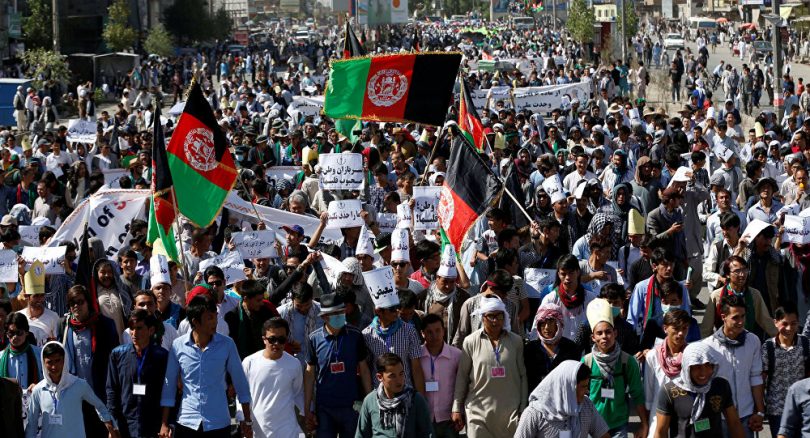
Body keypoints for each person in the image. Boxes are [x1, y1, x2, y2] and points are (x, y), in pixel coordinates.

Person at [159, 293, 253, 438]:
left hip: (219, 422)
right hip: (186, 421)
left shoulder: (227, 344)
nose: (215, 321)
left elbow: (240, 383)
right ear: (195, 321)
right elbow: (169, 385)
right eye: (209, 317)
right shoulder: (178, 346)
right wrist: (164, 423)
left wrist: (247, 420)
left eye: (215, 316)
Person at [452, 295, 527, 438]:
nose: (495, 321)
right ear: (482, 317)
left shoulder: (516, 341)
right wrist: (456, 407)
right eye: (490, 316)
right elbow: (462, 375)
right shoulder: (470, 341)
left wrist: (523, 407)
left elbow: (522, 375)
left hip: (509, 414)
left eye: (499, 316)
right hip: (477, 413)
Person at [304, 292, 373, 437]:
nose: (340, 316)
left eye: (341, 312)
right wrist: (307, 408)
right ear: (324, 317)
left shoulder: (355, 335)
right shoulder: (314, 339)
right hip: (324, 407)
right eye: (335, 314)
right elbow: (310, 374)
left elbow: (364, 370)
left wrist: (370, 402)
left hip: (351, 406)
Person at [58, 284, 119, 437]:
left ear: (88, 302)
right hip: (74, 396)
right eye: (73, 303)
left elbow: (114, 361)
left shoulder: (104, 324)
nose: (76, 306)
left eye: (80, 302)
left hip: (99, 394)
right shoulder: (63, 326)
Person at [583, 298, 649, 438]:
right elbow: (578, 396)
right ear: (593, 337)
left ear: (615, 333)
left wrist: (644, 424)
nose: (604, 337)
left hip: (619, 424)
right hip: (593, 424)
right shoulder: (586, 362)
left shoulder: (627, 361)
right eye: (599, 333)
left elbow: (637, 393)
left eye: (608, 332)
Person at [702, 294, 766, 437]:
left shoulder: (753, 341)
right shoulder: (707, 346)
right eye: (735, 317)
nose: (740, 322)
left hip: (746, 415)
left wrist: (760, 412)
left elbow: (756, 377)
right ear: (723, 316)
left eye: (743, 316)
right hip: (719, 418)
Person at [25, 341, 119, 438]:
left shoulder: (78, 384)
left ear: (64, 360)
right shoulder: (38, 390)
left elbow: (100, 406)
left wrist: (110, 426)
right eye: (49, 362)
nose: (54, 367)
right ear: (43, 363)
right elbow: (32, 424)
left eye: (57, 360)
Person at [654, 342, 745, 437]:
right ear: (687, 367)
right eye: (697, 367)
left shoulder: (720, 386)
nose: (703, 372)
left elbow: (734, 423)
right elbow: (661, 431)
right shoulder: (669, 391)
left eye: (707, 365)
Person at [106, 309, 169, 438]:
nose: (134, 333)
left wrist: (166, 423)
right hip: (125, 423)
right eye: (131, 328)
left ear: (151, 330)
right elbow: (112, 390)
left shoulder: (162, 356)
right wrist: (112, 424)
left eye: (139, 328)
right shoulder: (117, 354)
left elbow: (168, 392)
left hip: (152, 424)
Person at [240, 317, 303, 438]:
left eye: (281, 339)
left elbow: (298, 393)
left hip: (287, 429)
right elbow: (242, 394)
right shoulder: (249, 362)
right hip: (258, 428)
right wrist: (243, 419)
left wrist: (308, 413)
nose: (276, 344)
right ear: (264, 339)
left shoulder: (294, 364)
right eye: (272, 339)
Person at [515, 360, 610, 438]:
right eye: (583, 387)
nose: (587, 391)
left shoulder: (586, 405)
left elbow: (603, 435)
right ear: (568, 389)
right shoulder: (534, 413)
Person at [356, 352, 434, 438]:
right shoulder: (370, 401)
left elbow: (427, 433)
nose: (399, 380)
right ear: (380, 377)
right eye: (392, 376)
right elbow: (361, 434)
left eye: (401, 374)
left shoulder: (415, 399)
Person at [761, 303, 810, 438]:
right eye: (784, 323)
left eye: (793, 323)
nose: (789, 328)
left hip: (802, 409)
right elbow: (762, 379)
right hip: (776, 410)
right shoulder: (768, 347)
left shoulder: (805, 343)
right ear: (775, 323)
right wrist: (759, 410)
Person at [700, 256, 777, 339]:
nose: (742, 274)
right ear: (727, 274)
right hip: (723, 342)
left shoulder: (754, 294)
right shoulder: (717, 295)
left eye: (744, 269)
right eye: (737, 271)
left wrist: (781, 338)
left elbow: (765, 320)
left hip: (747, 341)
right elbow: (706, 327)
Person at [644, 308, 691, 434]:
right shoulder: (653, 356)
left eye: (684, 328)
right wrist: (647, 423)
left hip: (684, 417)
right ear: (665, 329)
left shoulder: (691, 355)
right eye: (676, 328)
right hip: (657, 414)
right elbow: (648, 391)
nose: (681, 333)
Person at [419, 313, 462, 438]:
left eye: (438, 330)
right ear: (423, 334)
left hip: (449, 418)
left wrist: (460, 411)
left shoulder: (457, 355)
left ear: (444, 331)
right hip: (425, 417)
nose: (434, 335)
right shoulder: (417, 356)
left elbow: (462, 385)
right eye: (429, 332)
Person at [524, 302, 581, 390]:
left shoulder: (571, 348)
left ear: (559, 323)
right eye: (542, 323)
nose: (546, 327)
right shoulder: (530, 349)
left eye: (551, 322)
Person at [225, 279, 279, 359]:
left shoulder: (266, 312)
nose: (262, 303)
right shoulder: (232, 317)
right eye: (258, 300)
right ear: (246, 299)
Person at [20, 261, 60, 346]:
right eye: (36, 296)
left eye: (42, 295)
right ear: (27, 296)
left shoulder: (53, 317)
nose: (40, 299)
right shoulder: (19, 317)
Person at [0, 312, 42, 391]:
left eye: (19, 332)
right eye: (11, 333)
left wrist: (38, 386)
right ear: (6, 334)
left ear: (26, 332)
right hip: (9, 402)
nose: (15, 337)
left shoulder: (40, 354)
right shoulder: (1, 357)